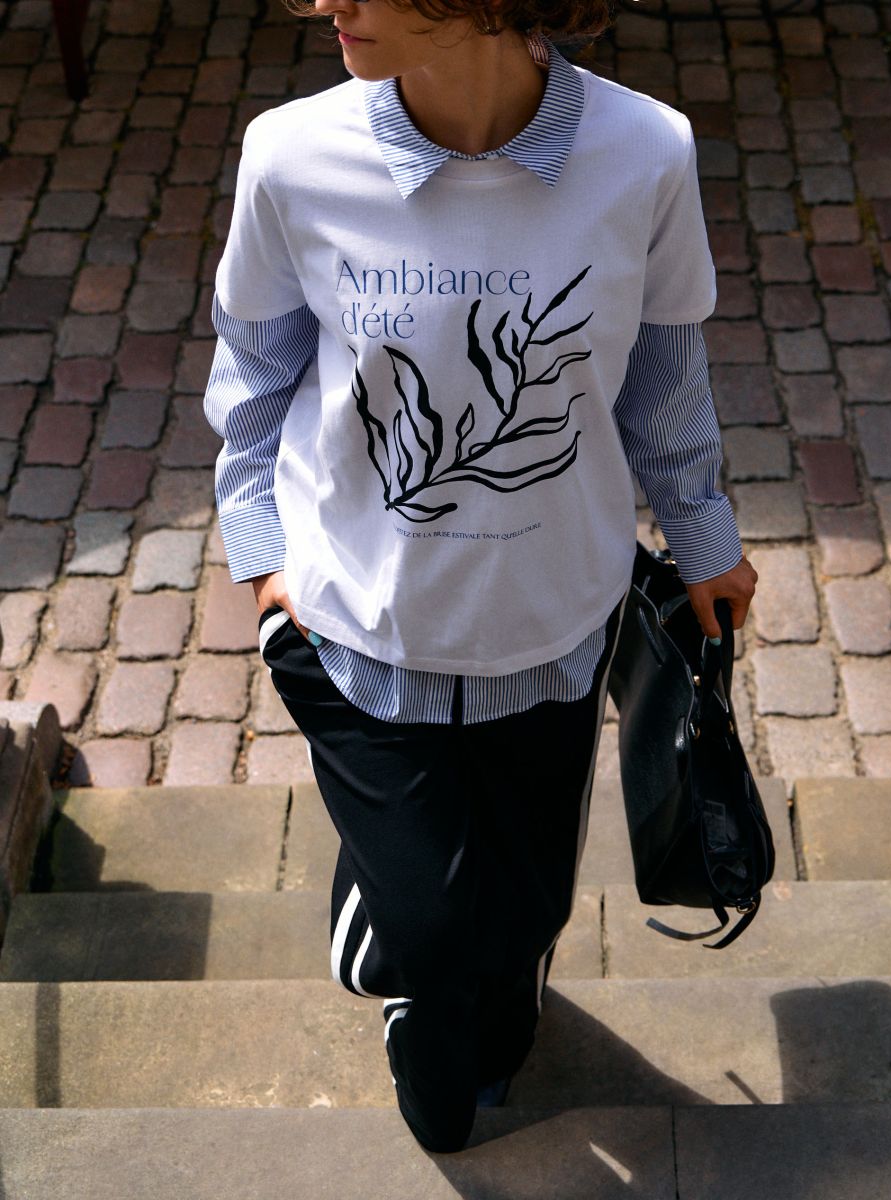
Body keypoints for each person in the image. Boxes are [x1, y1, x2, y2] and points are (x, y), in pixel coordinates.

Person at [203, 0, 757, 1154]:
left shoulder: (645, 151)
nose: (329, 0)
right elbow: (255, 373)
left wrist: (703, 536)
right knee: (439, 976)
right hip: (355, 631)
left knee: (531, 914)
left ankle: (468, 963)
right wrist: (262, 559)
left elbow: (663, 371)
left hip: (558, 626)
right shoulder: (292, 156)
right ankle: (407, 954)